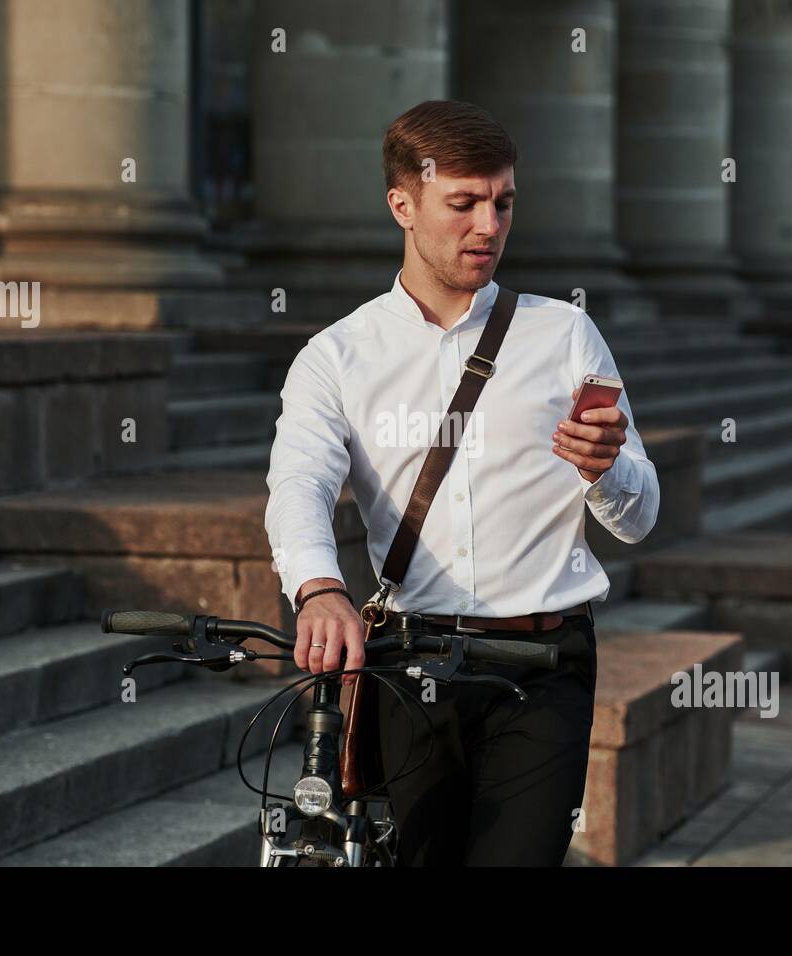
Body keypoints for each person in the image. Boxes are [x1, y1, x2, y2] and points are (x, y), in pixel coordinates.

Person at [263, 100, 660, 866]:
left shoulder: (564, 334)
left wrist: (604, 469)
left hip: (543, 666)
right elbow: (300, 483)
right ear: (403, 205)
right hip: (411, 665)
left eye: (503, 202)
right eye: (464, 203)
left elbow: (639, 520)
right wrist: (318, 587)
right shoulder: (337, 355)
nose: (488, 225)